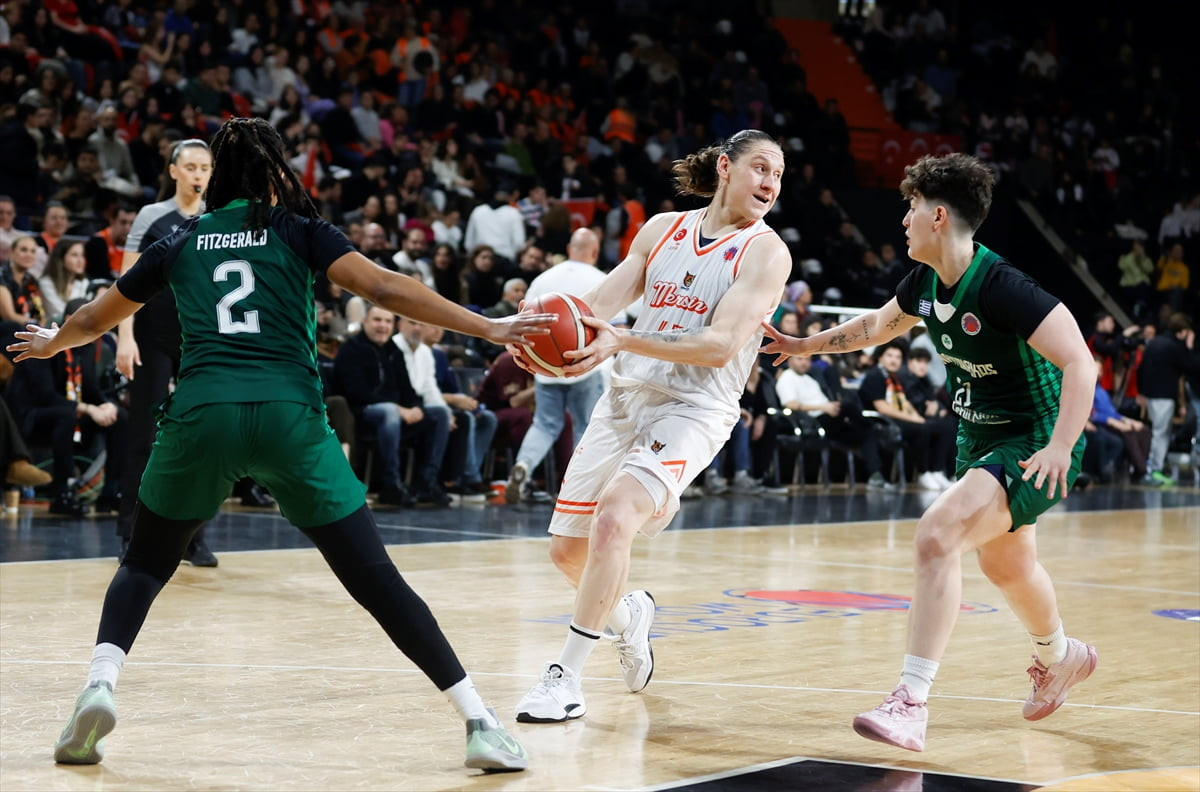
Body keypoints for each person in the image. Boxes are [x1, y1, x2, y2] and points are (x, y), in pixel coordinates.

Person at [10, 117, 548, 772]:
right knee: (375, 580)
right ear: (270, 171)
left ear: (219, 179)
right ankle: (479, 723)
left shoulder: (179, 238)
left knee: (147, 565)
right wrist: (487, 326)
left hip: (202, 415)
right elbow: (381, 286)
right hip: (289, 417)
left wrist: (51, 342)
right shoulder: (298, 228)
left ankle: (98, 686)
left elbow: (98, 317)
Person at [762, 152, 1097, 752]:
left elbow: (1080, 360)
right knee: (1008, 566)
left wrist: (1061, 447)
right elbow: (873, 328)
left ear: (939, 216)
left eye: (911, 207)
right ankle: (1062, 655)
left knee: (935, 534)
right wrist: (801, 343)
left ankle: (911, 700)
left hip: (1031, 442)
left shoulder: (1002, 286)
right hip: (980, 438)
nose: (904, 219)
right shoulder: (922, 284)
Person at [511, 129, 791, 723]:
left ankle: (565, 678)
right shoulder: (663, 228)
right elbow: (598, 309)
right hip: (625, 398)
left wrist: (623, 340)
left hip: (694, 408)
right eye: (761, 168)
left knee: (616, 517)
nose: (770, 182)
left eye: (778, 175)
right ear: (725, 167)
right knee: (566, 551)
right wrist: (536, 336)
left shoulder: (768, 253)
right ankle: (628, 615)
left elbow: (719, 346)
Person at [505, 228, 613, 504]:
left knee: (544, 424)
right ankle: (579, 488)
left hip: (546, 367)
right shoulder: (601, 279)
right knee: (586, 426)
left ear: (569, 248)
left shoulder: (543, 279)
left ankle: (523, 466)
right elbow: (617, 327)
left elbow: (524, 320)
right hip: (586, 364)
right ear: (595, 251)